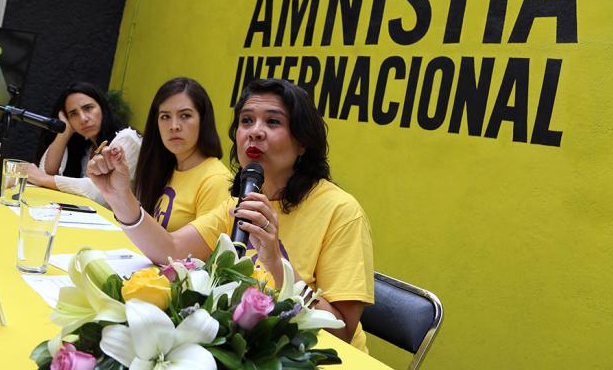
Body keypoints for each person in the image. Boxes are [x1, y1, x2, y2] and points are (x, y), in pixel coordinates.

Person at [87, 78, 374, 351]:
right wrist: (119, 196)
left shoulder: (341, 211)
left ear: (302, 142)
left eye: (273, 121)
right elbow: (170, 250)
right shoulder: (241, 201)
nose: (255, 131)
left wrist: (276, 263)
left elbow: (341, 332)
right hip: (251, 348)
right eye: (246, 121)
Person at [134, 77, 231, 232]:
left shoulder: (216, 180)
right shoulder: (164, 169)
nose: (174, 126)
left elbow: (208, 253)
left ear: (203, 120)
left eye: (185, 115)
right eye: (165, 116)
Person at [27, 82, 140, 204]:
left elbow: (100, 191)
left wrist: (43, 179)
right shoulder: (87, 148)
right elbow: (44, 172)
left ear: (102, 108)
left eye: (88, 108)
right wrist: (65, 131)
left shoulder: (127, 138)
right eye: (73, 114)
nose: (83, 118)